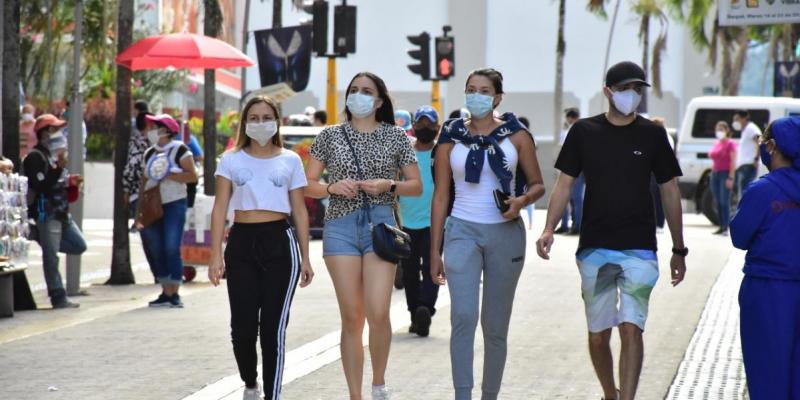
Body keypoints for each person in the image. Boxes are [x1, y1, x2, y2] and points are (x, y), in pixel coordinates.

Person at [536, 61, 687, 400]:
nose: (631, 95)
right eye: (623, 89)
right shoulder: (584, 131)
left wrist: (679, 249)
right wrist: (548, 228)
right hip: (595, 248)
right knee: (598, 335)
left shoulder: (653, 134)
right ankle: (610, 393)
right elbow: (564, 184)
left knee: (632, 328)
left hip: (640, 250)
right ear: (607, 91)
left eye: (637, 89)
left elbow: (670, 190)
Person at [430, 68, 546, 400]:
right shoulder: (450, 134)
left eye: (484, 91)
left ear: (497, 98)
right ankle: (462, 395)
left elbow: (538, 185)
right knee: (463, 317)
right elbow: (440, 195)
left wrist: (520, 202)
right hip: (461, 230)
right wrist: (434, 250)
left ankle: (489, 395)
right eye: (471, 89)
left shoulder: (517, 135)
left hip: (505, 234)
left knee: (495, 327)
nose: (476, 95)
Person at [305, 71, 422, 400]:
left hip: (381, 226)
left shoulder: (396, 136)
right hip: (340, 227)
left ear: (379, 100)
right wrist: (330, 187)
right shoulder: (330, 135)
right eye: (354, 90)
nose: (358, 95)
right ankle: (354, 394)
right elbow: (307, 184)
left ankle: (378, 384)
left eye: (367, 91)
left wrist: (389, 185)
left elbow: (416, 185)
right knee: (352, 317)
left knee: (378, 311)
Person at [209, 95, 314, 400]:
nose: (260, 123)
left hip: (279, 243)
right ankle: (250, 383)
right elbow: (219, 208)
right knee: (242, 329)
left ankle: (272, 395)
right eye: (253, 118)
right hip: (241, 242)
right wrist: (215, 255)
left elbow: (300, 211)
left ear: (277, 121)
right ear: (244, 123)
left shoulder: (290, 160)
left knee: (272, 329)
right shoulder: (230, 160)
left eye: (266, 117)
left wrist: (306, 258)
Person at [730, 116, 800, 400]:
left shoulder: (763, 190)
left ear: (771, 146)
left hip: (767, 290)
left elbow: (739, 236)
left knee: (767, 367)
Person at [23, 114, 88, 309]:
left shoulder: (54, 156)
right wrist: (58, 169)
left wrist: (70, 181)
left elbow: (56, 182)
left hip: (62, 212)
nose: (58, 133)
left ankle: (37, 235)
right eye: (54, 129)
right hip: (47, 213)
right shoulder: (35, 157)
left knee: (78, 244)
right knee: (51, 257)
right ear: (43, 133)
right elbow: (41, 186)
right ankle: (58, 296)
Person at [137, 114, 198, 308]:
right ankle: (165, 290)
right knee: (156, 247)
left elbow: (193, 176)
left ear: (166, 130)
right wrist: (140, 208)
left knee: (171, 246)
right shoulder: (149, 153)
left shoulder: (180, 150)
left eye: (155, 126)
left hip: (174, 203)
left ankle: (175, 292)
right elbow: (144, 180)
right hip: (152, 204)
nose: (151, 130)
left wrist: (169, 174)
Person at [398, 105, 440, 337]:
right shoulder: (405, 153)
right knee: (409, 271)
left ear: (437, 127)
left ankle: (425, 308)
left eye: (430, 123)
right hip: (406, 221)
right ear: (413, 126)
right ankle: (416, 312)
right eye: (421, 123)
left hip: (436, 222)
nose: (425, 127)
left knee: (432, 266)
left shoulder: (441, 153)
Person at [122, 102, 158, 280]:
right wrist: (127, 190)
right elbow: (132, 168)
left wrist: (126, 191)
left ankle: (159, 274)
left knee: (150, 237)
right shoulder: (143, 143)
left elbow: (130, 169)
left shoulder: (150, 143)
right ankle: (160, 274)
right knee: (152, 237)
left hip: (143, 195)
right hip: (145, 196)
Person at [556, 108, 583, 234]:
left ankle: (576, 225)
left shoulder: (574, 130)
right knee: (571, 198)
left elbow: (564, 149)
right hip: (573, 167)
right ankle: (570, 224)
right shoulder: (578, 129)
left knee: (574, 198)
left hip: (573, 168)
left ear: (570, 118)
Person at [708, 121, 737, 235]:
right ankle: (721, 226)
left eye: (721, 129)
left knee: (724, 201)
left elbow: (733, 161)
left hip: (725, 174)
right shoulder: (716, 143)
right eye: (717, 129)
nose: (719, 132)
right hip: (715, 173)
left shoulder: (730, 143)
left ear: (726, 130)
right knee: (717, 200)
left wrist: (731, 177)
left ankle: (726, 226)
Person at [649, 117, 673, 230]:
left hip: (660, 171)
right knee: (655, 197)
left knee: (658, 197)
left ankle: (659, 223)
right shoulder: (656, 136)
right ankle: (657, 222)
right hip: (655, 170)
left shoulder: (665, 137)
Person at [733, 110, 762, 196]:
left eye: (737, 119)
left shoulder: (751, 128)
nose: (735, 122)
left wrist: (756, 159)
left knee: (745, 192)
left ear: (744, 118)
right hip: (744, 166)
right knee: (742, 191)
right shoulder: (745, 130)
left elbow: (760, 142)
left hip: (749, 165)